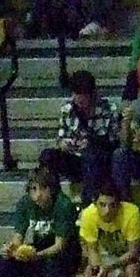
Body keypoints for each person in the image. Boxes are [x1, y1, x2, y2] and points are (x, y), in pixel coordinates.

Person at [39, 70, 120, 205]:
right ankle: (53, 199)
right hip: (75, 158)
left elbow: (114, 141)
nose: (80, 100)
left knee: (92, 156)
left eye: (84, 96)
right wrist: (64, 144)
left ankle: (88, 203)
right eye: (76, 95)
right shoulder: (67, 110)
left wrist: (92, 142)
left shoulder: (108, 109)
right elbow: (61, 137)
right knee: (47, 156)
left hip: (99, 160)